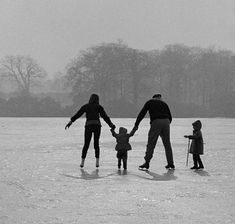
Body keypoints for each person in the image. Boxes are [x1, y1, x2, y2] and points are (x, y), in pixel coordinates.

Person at [65, 93, 115, 168]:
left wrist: (70, 122)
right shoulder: (99, 107)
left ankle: (82, 162)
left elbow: (78, 114)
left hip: (88, 126)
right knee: (96, 144)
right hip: (97, 126)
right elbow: (105, 117)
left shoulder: (86, 106)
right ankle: (97, 163)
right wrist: (111, 125)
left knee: (86, 144)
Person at [133, 94, 175, 170]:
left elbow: (142, 113)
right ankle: (171, 163)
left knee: (151, 143)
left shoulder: (150, 102)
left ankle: (147, 162)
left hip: (156, 121)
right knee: (167, 143)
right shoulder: (164, 103)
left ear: (153, 97)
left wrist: (136, 124)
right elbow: (170, 117)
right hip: (166, 121)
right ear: (160, 98)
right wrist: (166, 124)